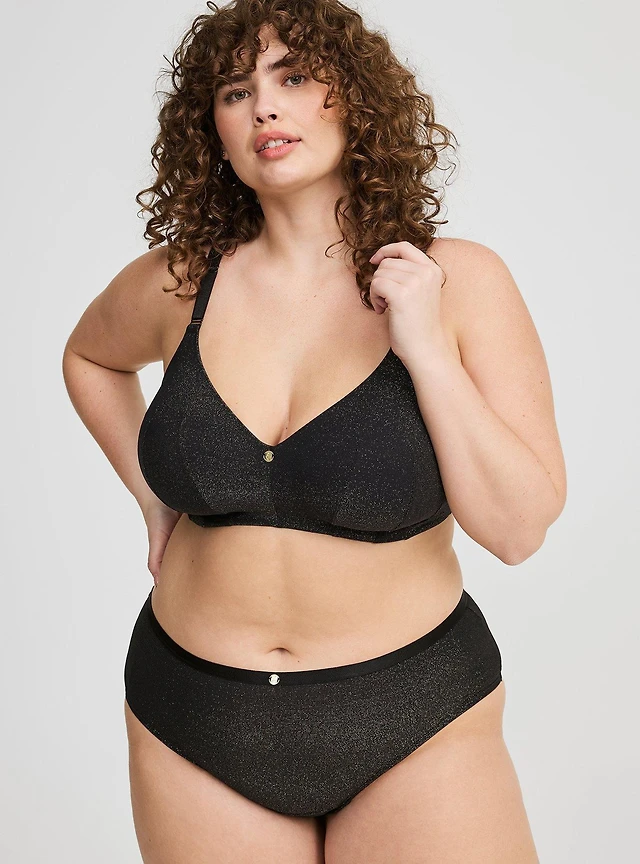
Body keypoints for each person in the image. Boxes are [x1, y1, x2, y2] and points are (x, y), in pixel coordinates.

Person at [62, 1, 566, 861]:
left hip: (413, 715)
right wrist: (154, 504)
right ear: (213, 132)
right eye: (235, 92)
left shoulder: (458, 281)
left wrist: (427, 351)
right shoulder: (177, 284)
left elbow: (518, 532)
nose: (264, 105)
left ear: (357, 100)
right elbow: (89, 358)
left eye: (293, 77)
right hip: (194, 716)